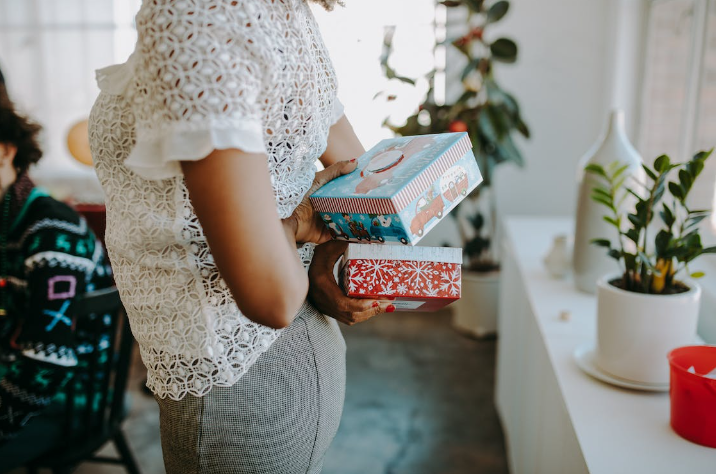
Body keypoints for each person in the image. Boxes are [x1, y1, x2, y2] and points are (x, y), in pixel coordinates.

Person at [89, 1, 392, 473]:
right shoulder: (275, 12)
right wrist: (316, 250)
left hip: (236, 380)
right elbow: (367, 178)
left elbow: (271, 299)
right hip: (288, 364)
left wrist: (300, 226)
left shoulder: (197, 13)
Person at [0, 93, 112, 470]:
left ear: (4, 151)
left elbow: (46, 360)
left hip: (67, 400)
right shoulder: (8, 217)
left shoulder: (51, 232)